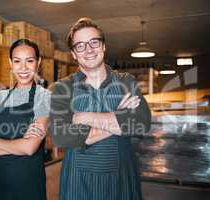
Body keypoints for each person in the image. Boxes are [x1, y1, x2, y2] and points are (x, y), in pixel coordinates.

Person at [49, 17, 151, 200]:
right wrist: (119, 117)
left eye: (94, 42)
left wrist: (82, 117)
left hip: (122, 182)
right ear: (73, 53)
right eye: (80, 45)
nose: (88, 50)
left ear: (103, 46)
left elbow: (141, 123)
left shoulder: (125, 81)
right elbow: (61, 136)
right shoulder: (62, 88)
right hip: (77, 184)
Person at [0, 39, 51, 200]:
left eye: (29, 61)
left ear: (38, 62)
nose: (23, 68)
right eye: (17, 61)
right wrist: (19, 144)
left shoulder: (44, 96)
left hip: (27, 184)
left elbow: (30, 148)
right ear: (11, 63)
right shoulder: (0, 97)